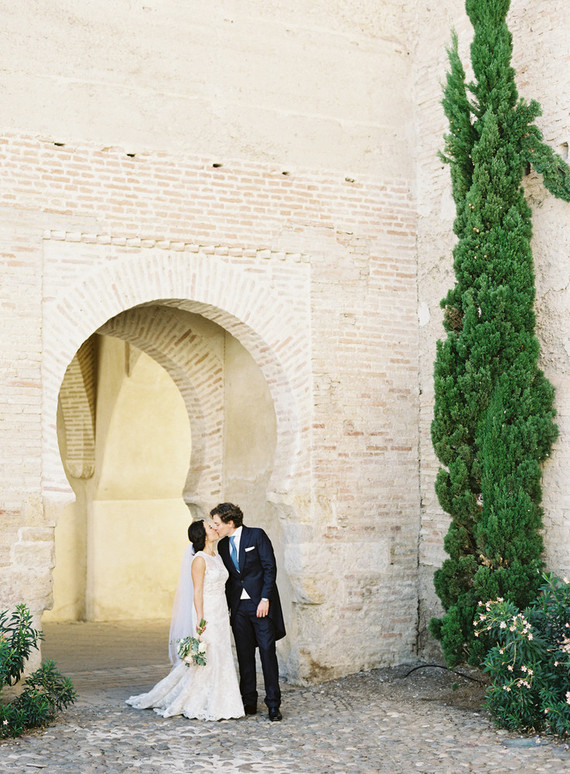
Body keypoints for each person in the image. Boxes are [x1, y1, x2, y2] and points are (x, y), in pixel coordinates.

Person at [125, 520, 244, 721]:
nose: (215, 528)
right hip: (206, 612)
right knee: (207, 654)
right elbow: (197, 591)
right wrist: (200, 618)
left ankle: (225, 699)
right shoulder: (199, 559)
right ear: (203, 535)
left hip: (221, 611)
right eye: (209, 527)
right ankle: (202, 700)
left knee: (221, 652)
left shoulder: (217, 556)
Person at [211, 502, 286, 722]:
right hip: (239, 608)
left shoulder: (257, 536)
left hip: (261, 606)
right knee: (244, 655)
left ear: (230, 522)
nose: (215, 528)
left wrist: (265, 599)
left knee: (266, 653)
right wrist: (225, 610)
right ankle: (249, 701)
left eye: (217, 524)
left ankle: (273, 704)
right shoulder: (223, 546)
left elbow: (270, 568)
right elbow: (228, 580)